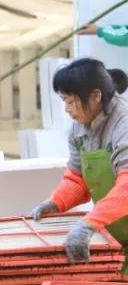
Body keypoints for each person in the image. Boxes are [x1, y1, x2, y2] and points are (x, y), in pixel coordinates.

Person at [30, 58, 128, 264]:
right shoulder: (78, 128)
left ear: (95, 96)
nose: (66, 109)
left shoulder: (123, 124)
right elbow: (78, 178)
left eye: (70, 101)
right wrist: (56, 202)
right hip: (117, 235)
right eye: (63, 100)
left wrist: (89, 223)